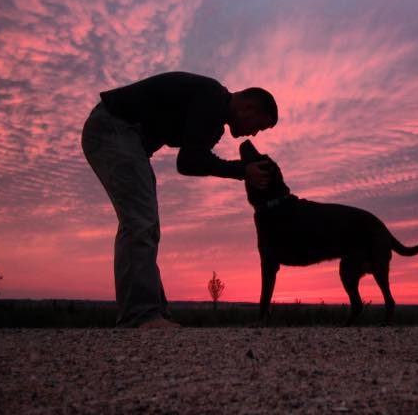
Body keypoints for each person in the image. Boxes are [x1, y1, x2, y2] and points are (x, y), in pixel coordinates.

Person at [81, 71, 277, 328]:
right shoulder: (213, 98)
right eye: (259, 126)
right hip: (114, 129)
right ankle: (141, 316)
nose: (254, 134)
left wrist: (241, 171)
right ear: (248, 106)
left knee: (145, 223)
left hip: (126, 138)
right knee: (140, 222)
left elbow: (191, 162)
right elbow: (189, 161)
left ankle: (153, 313)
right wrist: (243, 170)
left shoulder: (214, 114)